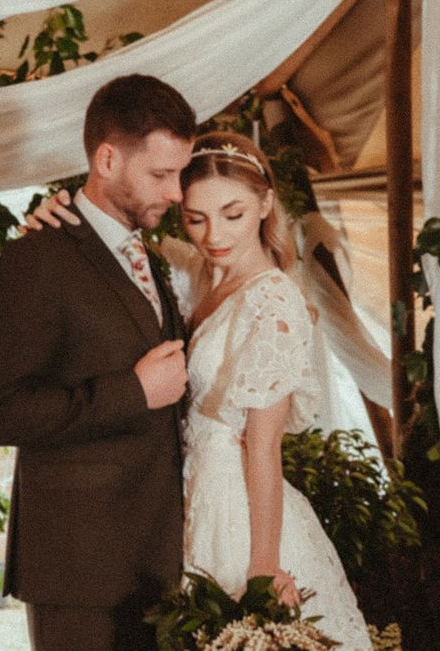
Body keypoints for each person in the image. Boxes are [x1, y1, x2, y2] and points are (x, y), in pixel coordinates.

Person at [29, 130, 373, 649]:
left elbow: (263, 445)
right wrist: (54, 215)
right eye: (195, 218)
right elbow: (112, 244)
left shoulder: (274, 300)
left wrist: (262, 566)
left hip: (237, 514)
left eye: (232, 214)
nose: (214, 234)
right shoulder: (201, 275)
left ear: (265, 204)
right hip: (184, 499)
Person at [0, 74, 197, 651]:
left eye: (179, 174)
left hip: (156, 565)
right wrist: (133, 392)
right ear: (108, 158)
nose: (175, 193)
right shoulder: (36, 260)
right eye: (160, 175)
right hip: (79, 571)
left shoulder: (149, 255)